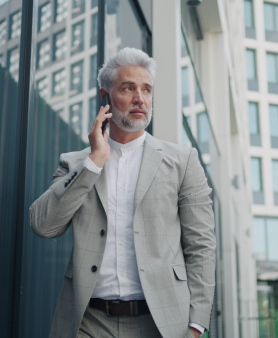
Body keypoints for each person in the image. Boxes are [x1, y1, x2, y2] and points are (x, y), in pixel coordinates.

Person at [30, 48, 216, 338]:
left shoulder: (183, 161)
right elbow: (43, 225)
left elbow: (201, 245)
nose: (140, 98)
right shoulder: (76, 163)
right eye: (128, 88)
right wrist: (94, 162)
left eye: (146, 89)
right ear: (105, 96)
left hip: (161, 322)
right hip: (87, 322)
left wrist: (196, 324)